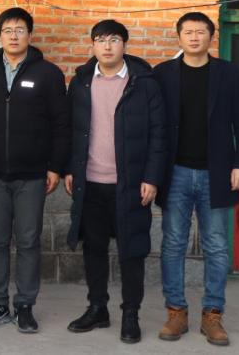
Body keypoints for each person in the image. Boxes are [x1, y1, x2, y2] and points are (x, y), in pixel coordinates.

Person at [153, 12, 239, 346]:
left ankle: (213, 315)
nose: (194, 37)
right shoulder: (163, 73)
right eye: (188, 32)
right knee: (173, 243)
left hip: (217, 172)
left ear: (212, 36)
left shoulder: (228, 73)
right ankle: (176, 312)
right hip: (175, 172)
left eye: (200, 32)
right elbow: (153, 124)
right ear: (178, 37)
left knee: (217, 245)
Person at [64, 19, 166, 344]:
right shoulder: (81, 82)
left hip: (131, 184)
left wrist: (151, 177)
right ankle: (98, 308)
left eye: (113, 40)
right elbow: (70, 129)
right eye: (100, 40)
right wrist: (70, 169)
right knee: (93, 248)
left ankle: (130, 314)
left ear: (124, 44)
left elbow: (159, 134)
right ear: (93, 45)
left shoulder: (143, 83)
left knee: (131, 251)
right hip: (91, 182)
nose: (107, 46)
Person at [0, 7, 70, 334]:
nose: (13, 35)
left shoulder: (48, 73)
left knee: (28, 242)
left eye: (20, 29)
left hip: (32, 175)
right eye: (8, 30)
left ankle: (25, 305)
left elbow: (61, 124)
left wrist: (55, 166)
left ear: (29, 34)